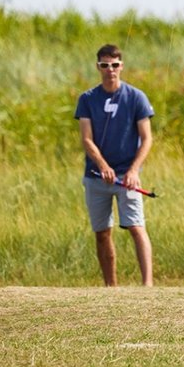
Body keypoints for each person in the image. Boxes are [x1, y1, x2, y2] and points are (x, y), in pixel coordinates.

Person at [75, 44, 155, 286]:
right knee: (102, 232)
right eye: (104, 65)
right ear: (98, 67)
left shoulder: (136, 97)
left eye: (114, 65)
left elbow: (147, 138)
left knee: (136, 227)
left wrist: (132, 171)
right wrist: (103, 166)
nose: (110, 70)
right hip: (96, 177)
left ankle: (148, 285)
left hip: (126, 178)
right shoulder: (88, 99)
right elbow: (86, 138)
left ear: (121, 66)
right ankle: (111, 287)